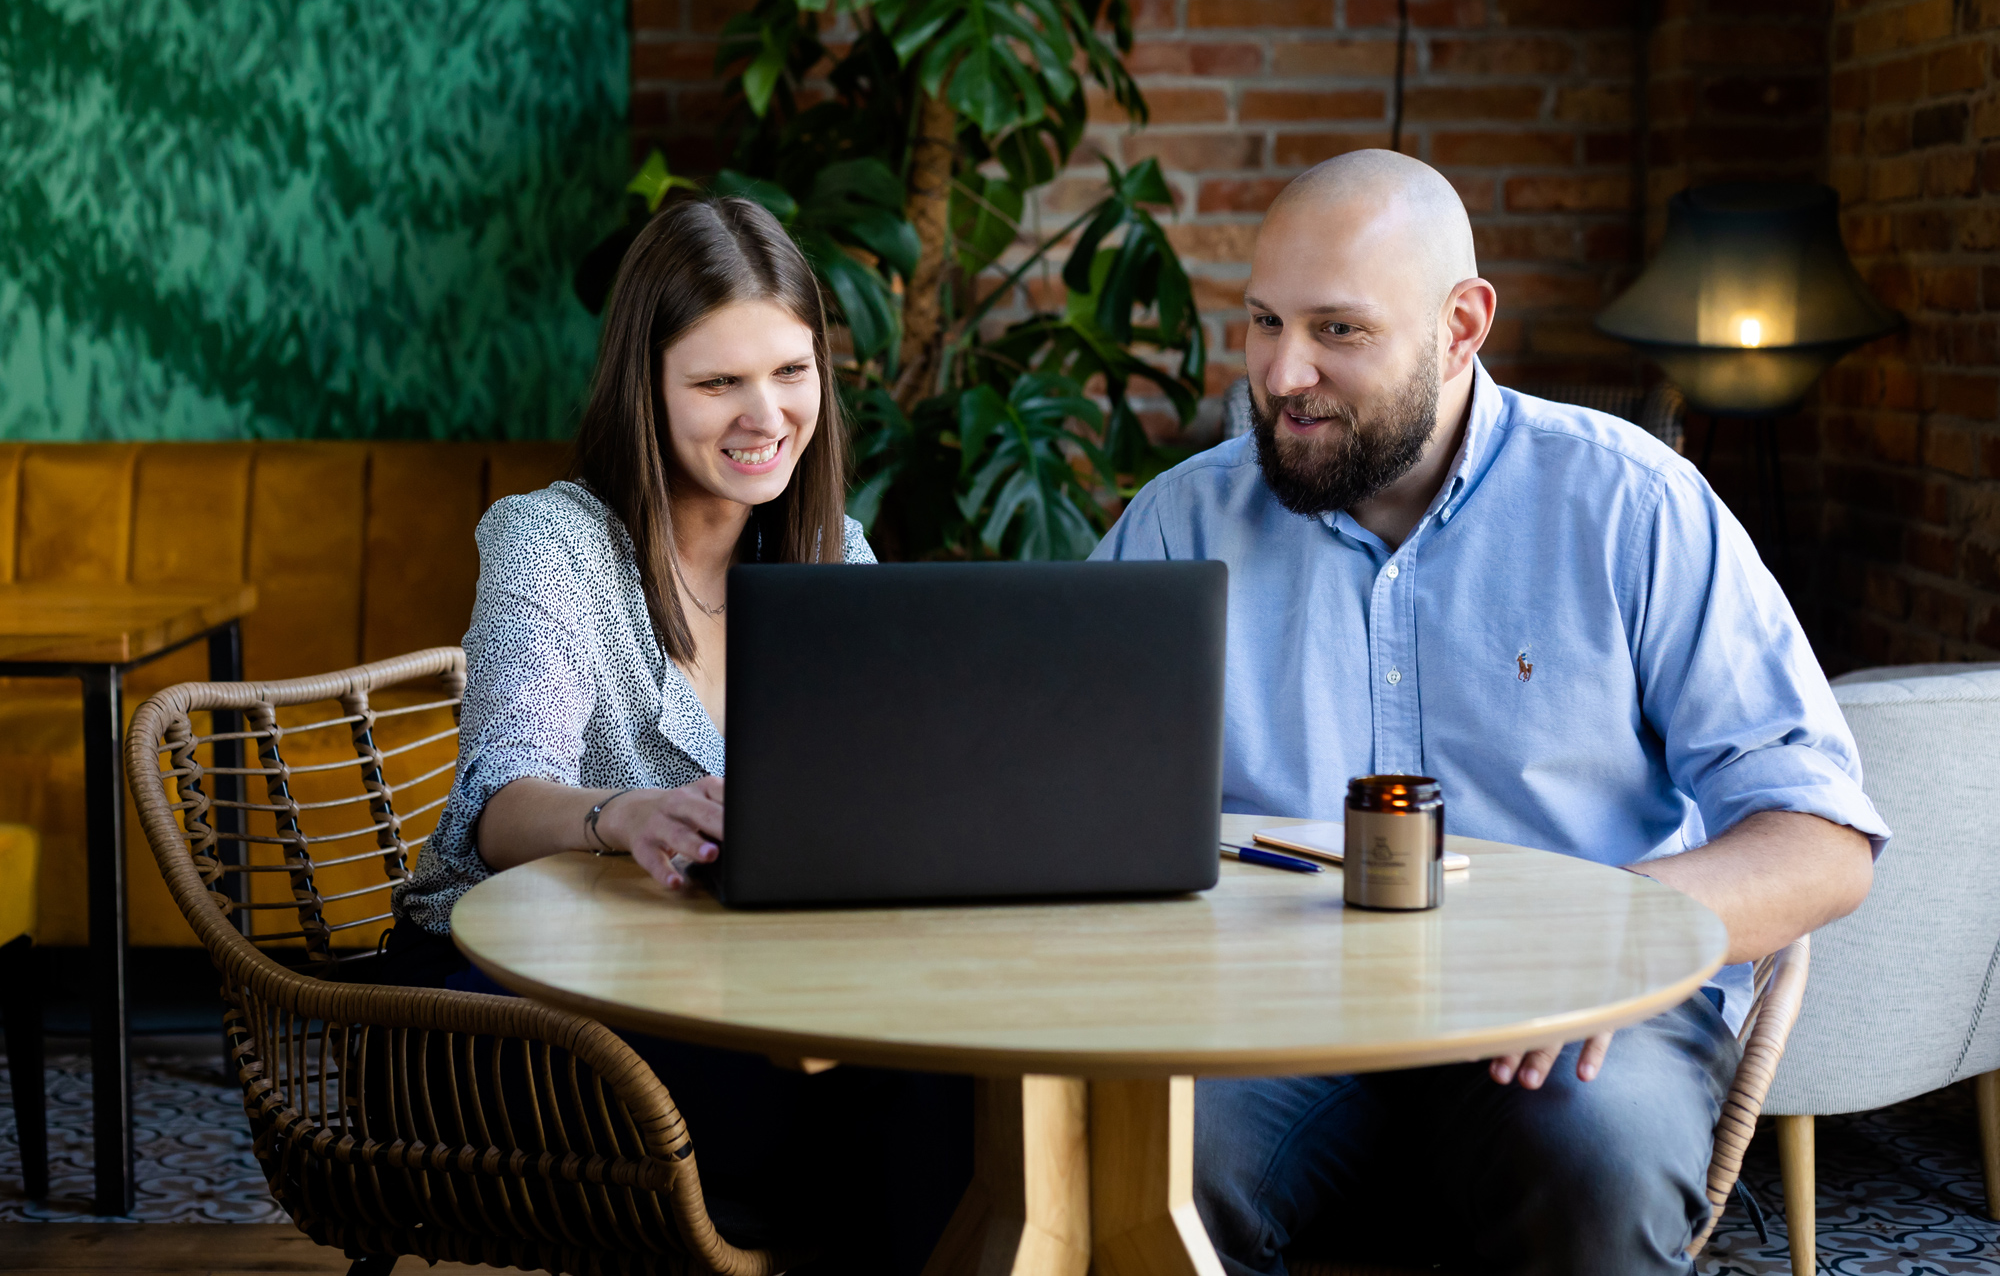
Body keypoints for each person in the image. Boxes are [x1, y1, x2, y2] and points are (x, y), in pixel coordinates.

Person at [1091, 150, 1887, 1275]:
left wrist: (1605, 935)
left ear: (1460, 325)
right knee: (1142, 1168)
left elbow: (1822, 841)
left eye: (1337, 331)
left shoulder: (1632, 506)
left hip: (1575, 1013)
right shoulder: (1179, 522)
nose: (1279, 372)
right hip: (1263, 1016)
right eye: (1264, 321)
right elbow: (1064, 800)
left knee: (1593, 1163)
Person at [381, 196, 970, 1273]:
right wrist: (625, 815)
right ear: (643, 389)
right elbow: (501, 802)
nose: (765, 416)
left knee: (947, 1081)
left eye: (791, 373)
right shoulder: (550, 540)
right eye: (716, 383)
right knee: (887, 1104)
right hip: (513, 1002)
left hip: (738, 990)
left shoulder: (833, 550)